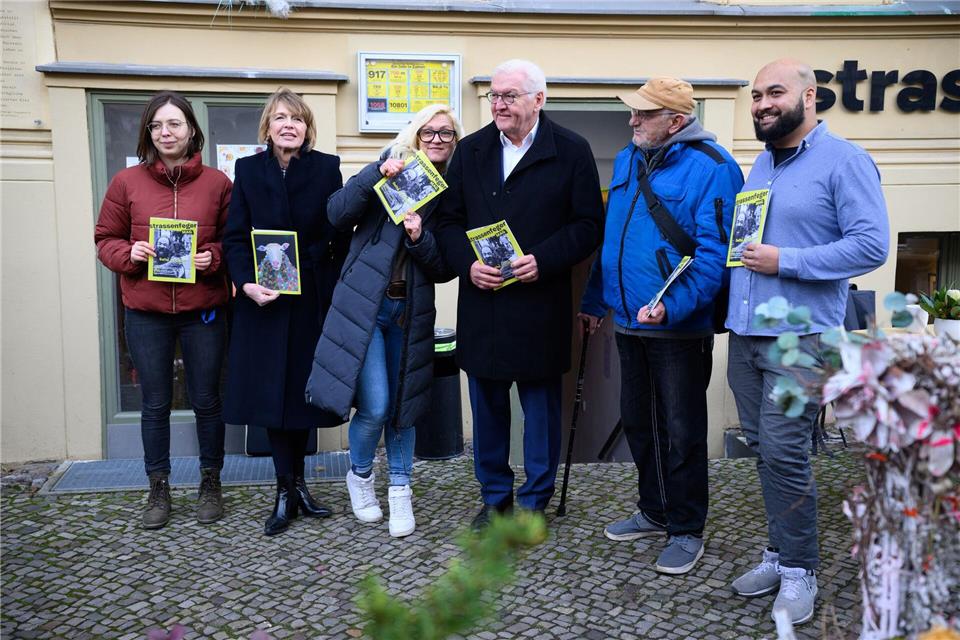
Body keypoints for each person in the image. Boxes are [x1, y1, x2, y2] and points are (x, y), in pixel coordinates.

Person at [726, 59, 889, 624]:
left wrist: (787, 261)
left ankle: (801, 570)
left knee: (785, 454)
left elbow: (871, 245)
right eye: (756, 95)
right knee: (765, 452)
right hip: (746, 336)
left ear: (810, 96)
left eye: (775, 92)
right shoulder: (761, 164)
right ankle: (779, 552)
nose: (762, 104)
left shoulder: (844, 160)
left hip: (800, 340)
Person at [579, 77, 744, 574]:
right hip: (629, 322)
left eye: (644, 114)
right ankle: (654, 510)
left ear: (676, 121)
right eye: (633, 112)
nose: (632, 121)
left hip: (677, 328)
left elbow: (718, 255)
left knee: (682, 430)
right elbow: (612, 238)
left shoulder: (715, 168)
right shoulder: (628, 158)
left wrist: (673, 307)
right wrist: (595, 299)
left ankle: (686, 527)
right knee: (638, 421)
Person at [435, 59, 604, 528]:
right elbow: (448, 222)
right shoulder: (470, 150)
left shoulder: (571, 150)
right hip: (483, 304)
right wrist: (467, 265)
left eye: (509, 96)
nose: (499, 104)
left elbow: (589, 226)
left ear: (538, 99)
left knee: (540, 414)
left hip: (539, 305)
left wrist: (543, 260)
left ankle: (534, 503)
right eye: (494, 96)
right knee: (488, 412)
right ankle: (495, 499)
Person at [306, 104, 463, 538]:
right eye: (429, 131)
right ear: (416, 134)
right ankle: (359, 476)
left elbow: (444, 267)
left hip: (410, 311)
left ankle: (400, 490)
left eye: (446, 133)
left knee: (402, 408)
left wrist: (419, 237)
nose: (436, 139)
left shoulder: (452, 190)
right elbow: (337, 214)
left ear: (455, 141)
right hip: (367, 308)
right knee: (375, 406)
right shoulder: (390, 165)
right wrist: (377, 173)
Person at [94, 91, 232, 530]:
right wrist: (129, 253)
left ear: (191, 130)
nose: (164, 133)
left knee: (206, 399)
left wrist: (213, 258)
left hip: (202, 309)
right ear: (148, 133)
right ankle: (158, 487)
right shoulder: (126, 182)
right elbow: (105, 239)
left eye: (174, 124)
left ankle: (211, 482)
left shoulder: (217, 184)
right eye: (156, 126)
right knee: (154, 403)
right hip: (146, 310)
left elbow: (233, 241)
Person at [222, 87, 349, 537]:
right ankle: (283, 489)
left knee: (301, 394)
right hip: (265, 300)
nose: (288, 125)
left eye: (296, 118)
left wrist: (319, 270)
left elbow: (339, 230)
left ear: (306, 127)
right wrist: (246, 283)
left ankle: (300, 487)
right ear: (268, 127)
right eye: (279, 118)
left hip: (311, 296)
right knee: (272, 397)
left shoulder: (327, 167)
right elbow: (235, 237)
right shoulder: (248, 170)